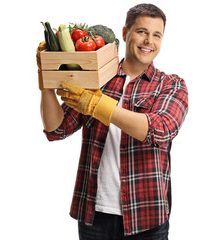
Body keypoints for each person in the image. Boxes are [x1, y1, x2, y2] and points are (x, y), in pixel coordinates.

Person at [37, 3, 188, 239]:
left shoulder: (171, 85)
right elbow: (56, 129)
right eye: (141, 32)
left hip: (146, 218)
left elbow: (160, 130)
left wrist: (99, 106)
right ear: (125, 33)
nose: (149, 40)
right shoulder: (97, 79)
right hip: (94, 216)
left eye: (156, 35)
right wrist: (46, 79)